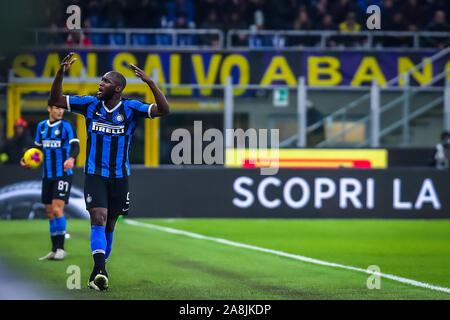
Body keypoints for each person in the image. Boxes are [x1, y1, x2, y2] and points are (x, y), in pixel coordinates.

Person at [48, 52, 170, 291]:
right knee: (99, 218)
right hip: (95, 174)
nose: (100, 84)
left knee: (111, 225)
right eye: (101, 81)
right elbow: (56, 100)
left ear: (117, 88)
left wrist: (151, 83)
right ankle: (101, 269)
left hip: (120, 176)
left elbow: (164, 110)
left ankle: (97, 272)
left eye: (104, 81)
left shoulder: (132, 109)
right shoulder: (89, 105)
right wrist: (61, 73)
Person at [20, 103, 79, 261]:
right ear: (49, 109)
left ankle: (61, 249)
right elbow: (36, 149)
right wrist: (27, 159)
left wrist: (72, 158)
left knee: (57, 208)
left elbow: (76, 145)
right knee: (49, 212)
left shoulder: (67, 126)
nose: (60, 111)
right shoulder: (41, 127)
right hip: (47, 174)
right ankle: (53, 250)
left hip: (63, 174)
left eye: (61, 108)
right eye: (56, 108)